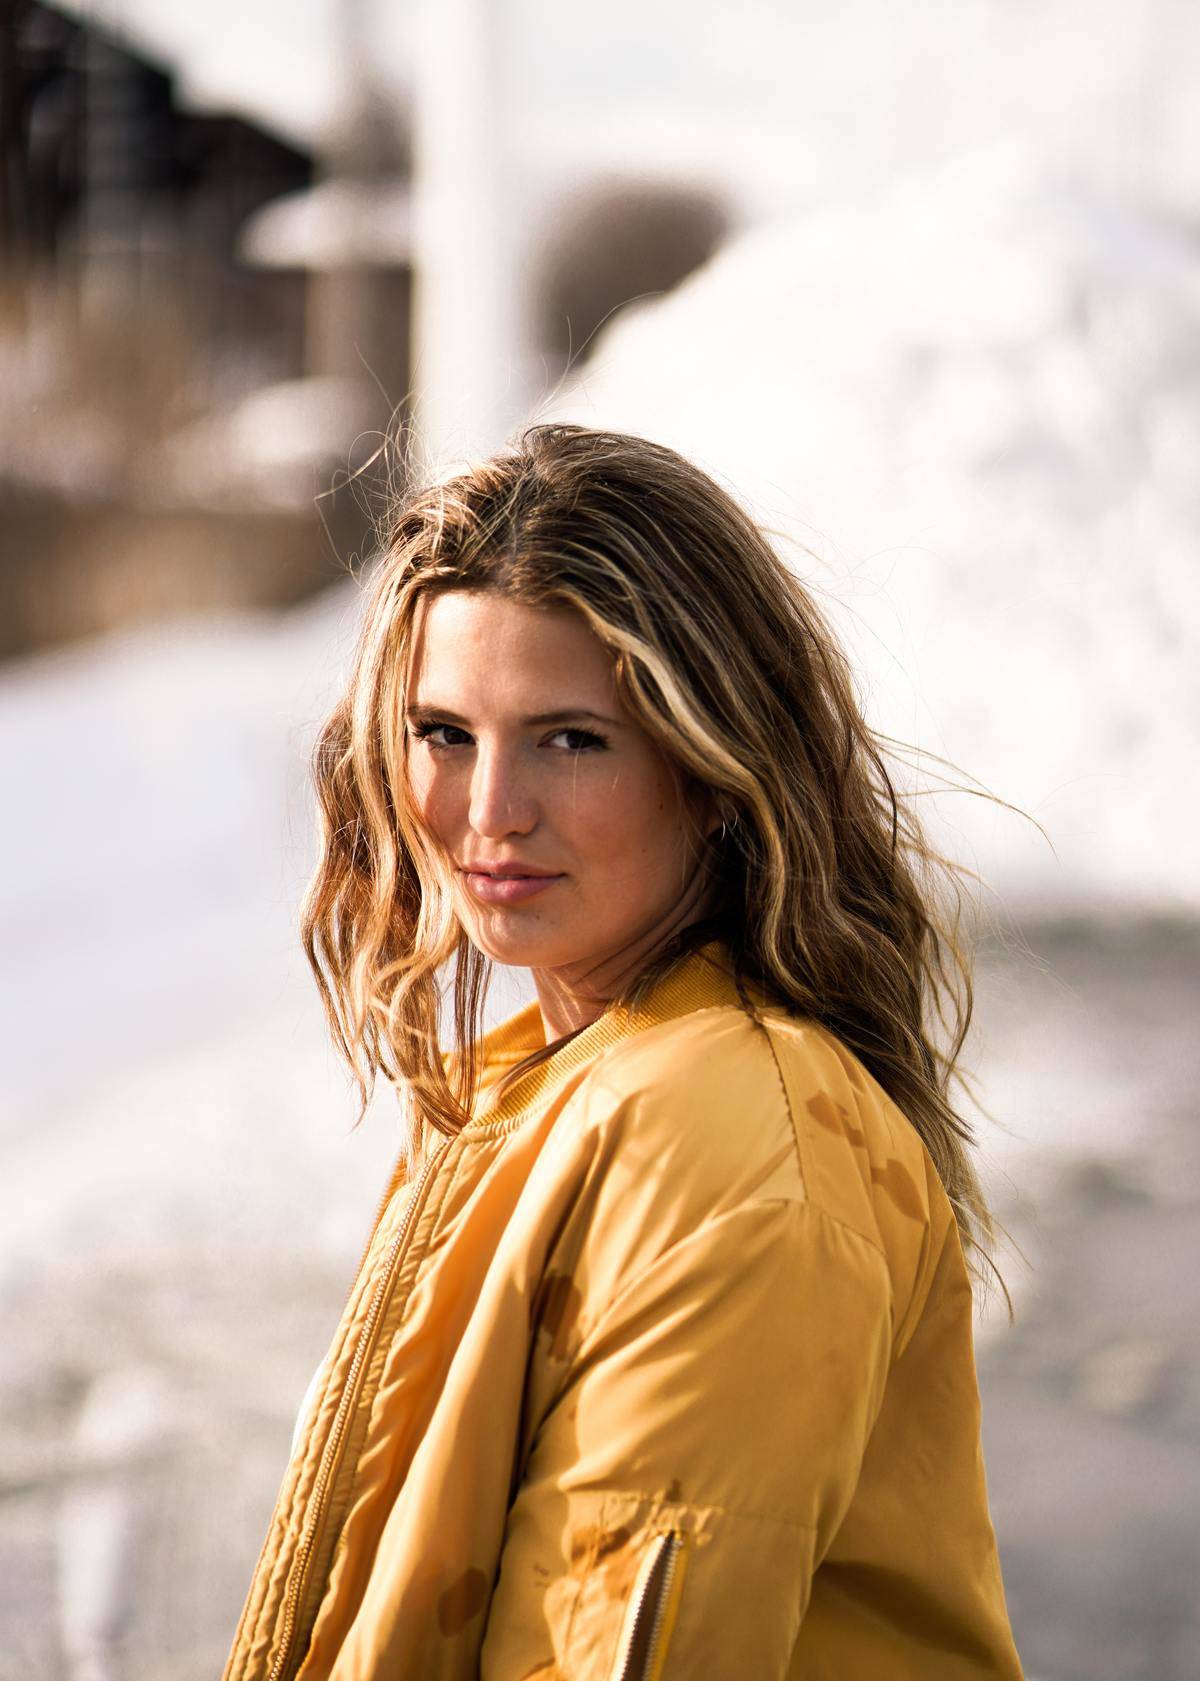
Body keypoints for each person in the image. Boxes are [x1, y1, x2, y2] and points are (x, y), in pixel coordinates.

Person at [222, 423, 1024, 1680]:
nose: (489, 812)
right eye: (444, 732)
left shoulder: (732, 1129)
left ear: (713, 768)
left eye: (571, 739)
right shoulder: (558, 1082)